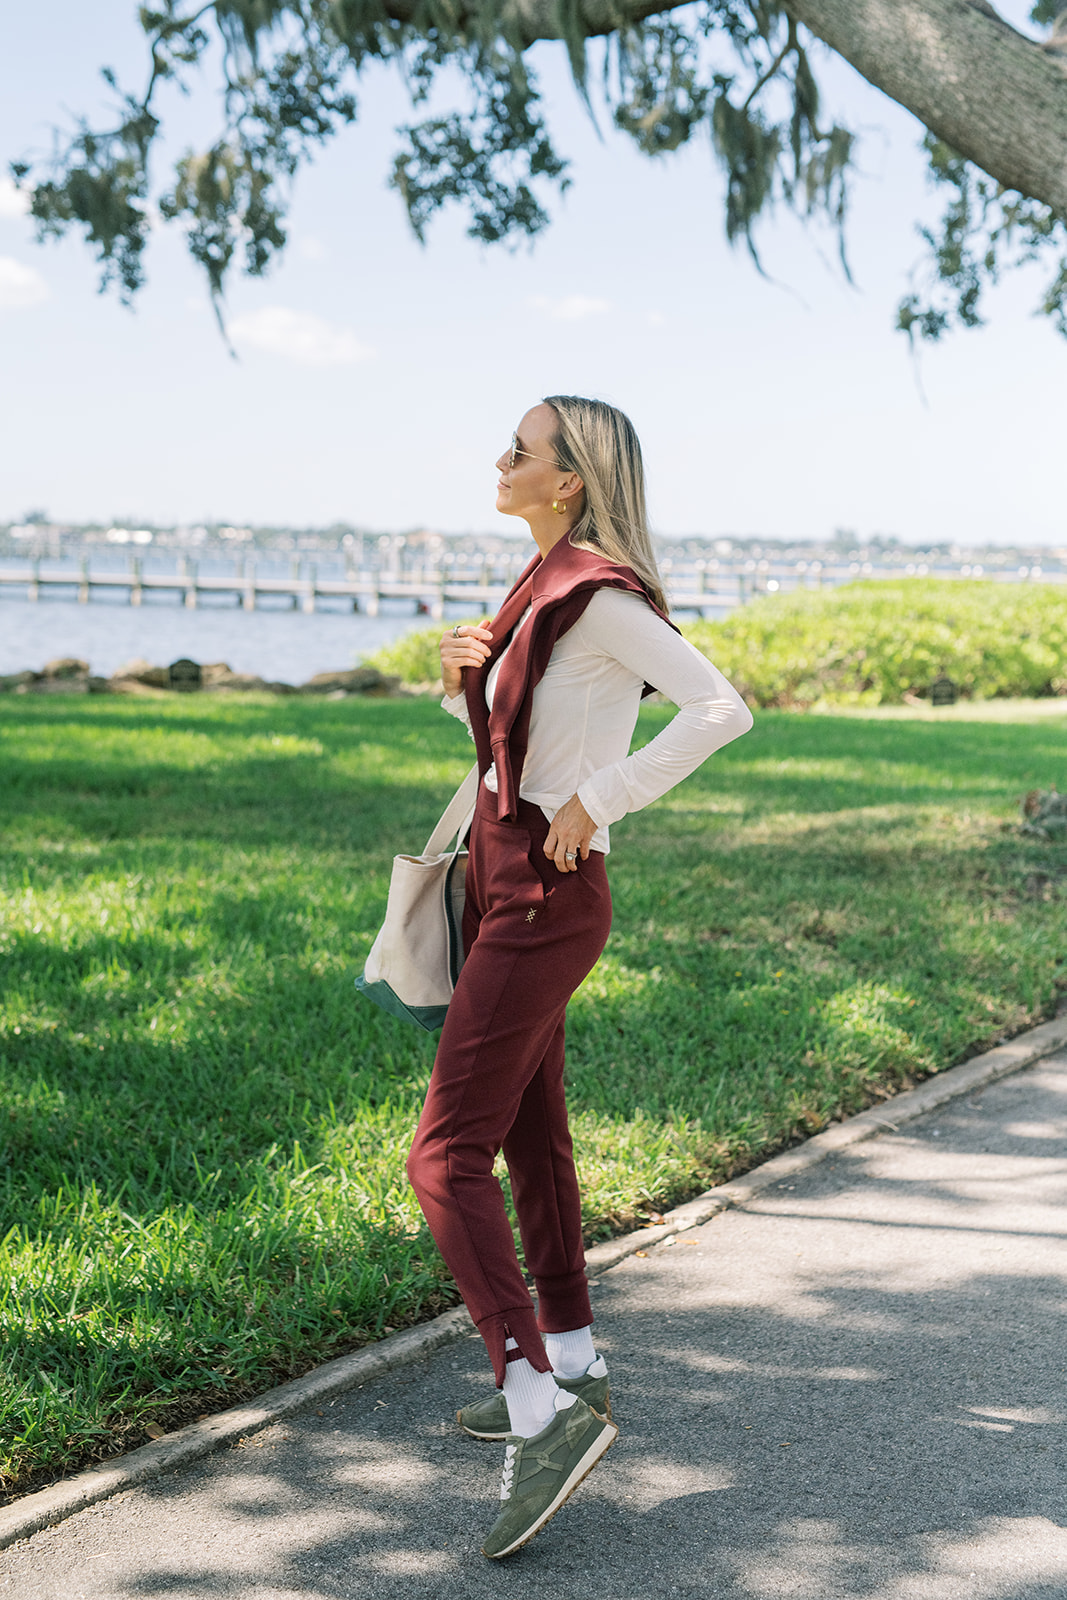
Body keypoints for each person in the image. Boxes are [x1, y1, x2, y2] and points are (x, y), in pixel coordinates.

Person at [406, 395, 753, 1559]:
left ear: (569, 480)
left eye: (521, 449)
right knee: (527, 1137)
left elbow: (720, 707)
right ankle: (572, 1362)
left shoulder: (596, 593)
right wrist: (467, 674)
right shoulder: (535, 587)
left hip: (547, 900)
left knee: (441, 1154)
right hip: (504, 883)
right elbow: (524, 746)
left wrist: (598, 799)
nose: (498, 458)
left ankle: (533, 1408)